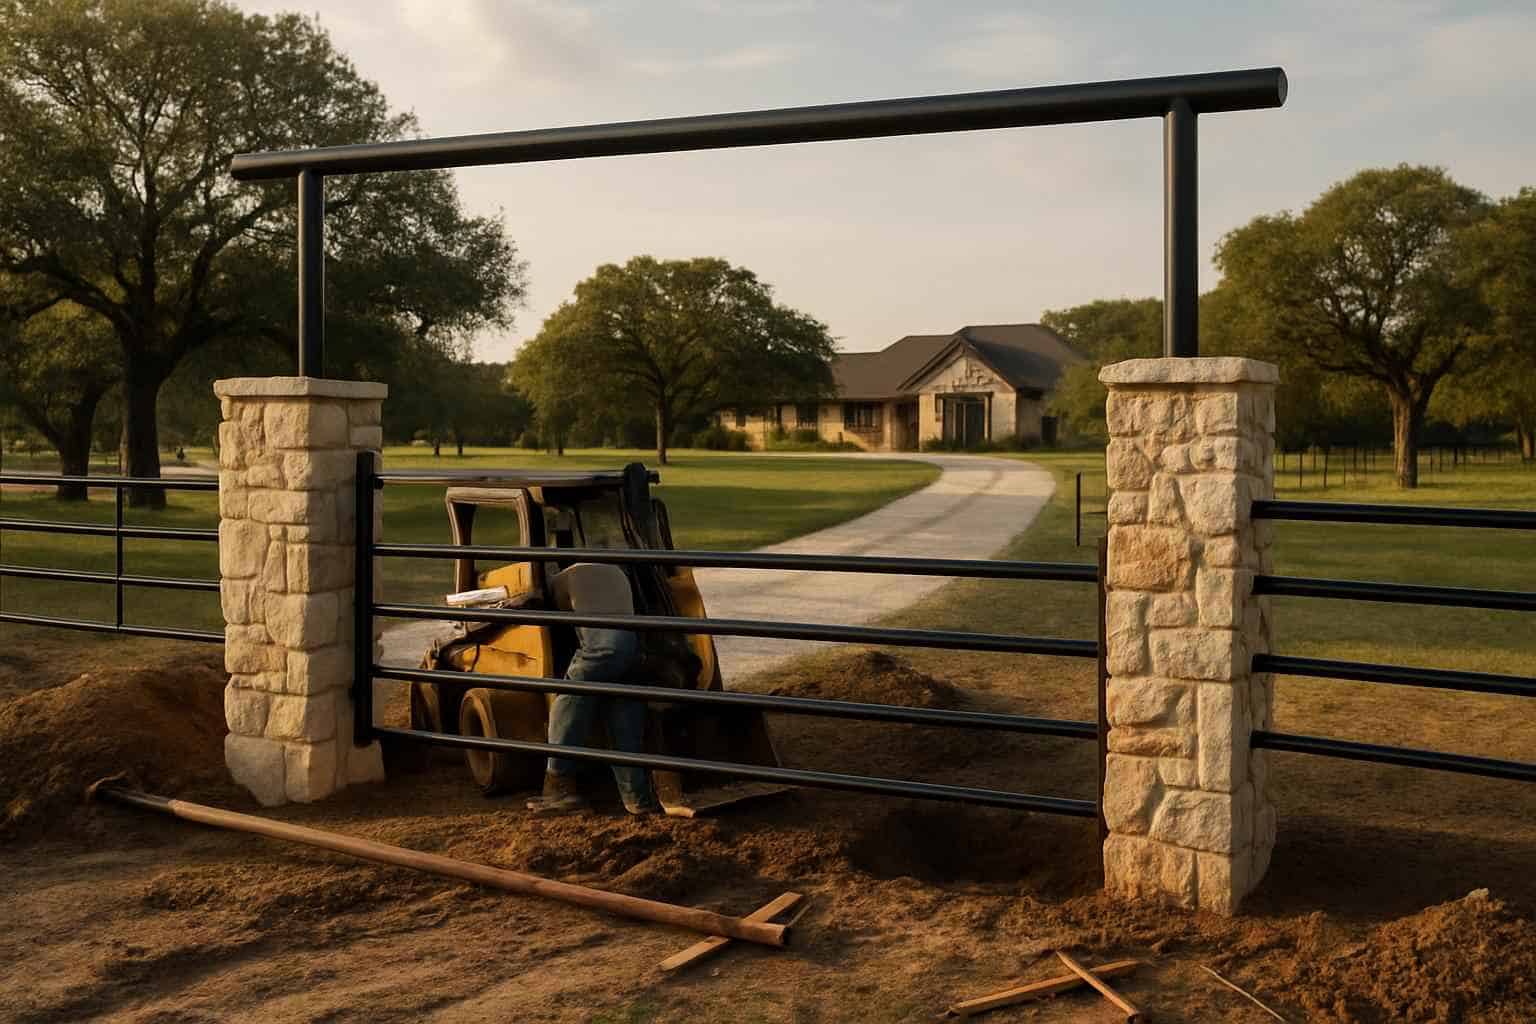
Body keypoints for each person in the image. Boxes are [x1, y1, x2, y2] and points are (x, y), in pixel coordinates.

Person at [526, 563, 662, 816]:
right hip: (634, 647)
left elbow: (547, 613)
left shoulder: (553, 585)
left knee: (568, 697)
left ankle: (559, 788)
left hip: (604, 649)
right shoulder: (608, 570)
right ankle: (638, 799)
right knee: (622, 717)